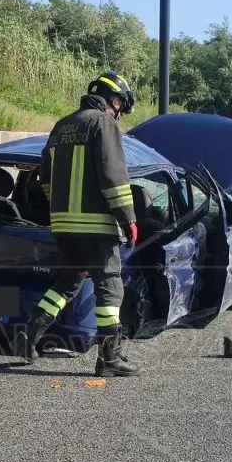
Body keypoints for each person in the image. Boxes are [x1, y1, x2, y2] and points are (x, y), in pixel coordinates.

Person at [11, 71, 141, 377]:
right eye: (121, 106)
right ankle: (110, 357)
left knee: (66, 283)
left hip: (64, 226)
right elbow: (113, 176)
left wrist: (60, 209)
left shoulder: (61, 126)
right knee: (110, 286)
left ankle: (28, 335)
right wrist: (128, 217)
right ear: (115, 100)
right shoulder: (103, 123)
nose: (119, 113)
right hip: (97, 226)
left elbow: (45, 178)